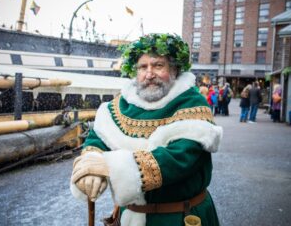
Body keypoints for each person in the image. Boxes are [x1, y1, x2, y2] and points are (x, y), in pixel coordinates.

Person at [70, 34, 222, 226]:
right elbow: (98, 137)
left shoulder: (192, 103)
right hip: (129, 218)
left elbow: (182, 156)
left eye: (158, 65)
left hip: (178, 217)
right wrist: (91, 166)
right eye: (143, 67)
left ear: (174, 69)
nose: (149, 73)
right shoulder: (119, 105)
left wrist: (111, 167)